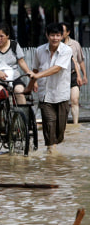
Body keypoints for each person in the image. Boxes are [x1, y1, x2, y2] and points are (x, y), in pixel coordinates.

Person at [27, 23, 72, 154]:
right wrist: (30, 85)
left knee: (60, 129)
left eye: (58, 35)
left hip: (61, 93)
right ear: (47, 35)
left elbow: (57, 68)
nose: (55, 38)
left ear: (62, 36)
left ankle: (54, 146)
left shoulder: (66, 50)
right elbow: (35, 68)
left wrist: (38, 75)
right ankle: (50, 150)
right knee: (49, 123)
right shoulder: (39, 50)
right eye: (52, 35)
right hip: (45, 93)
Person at [0, 23, 33, 105]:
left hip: (14, 77)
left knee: (19, 91)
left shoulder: (14, 45)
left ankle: (23, 115)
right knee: (0, 91)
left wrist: (28, 73)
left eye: (1, 36)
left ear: (7, 36)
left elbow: (21, 61)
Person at [62, 22, 87, 124]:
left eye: (62, 31)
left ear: (68, 32)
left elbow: (80, 61)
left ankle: (75, 124)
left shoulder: (75, 44)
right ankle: (64, 123)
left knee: (75, 100)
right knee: (63, 103)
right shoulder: (56, 44)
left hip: (73, 75)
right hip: (61, 76)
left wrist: (84, 75)